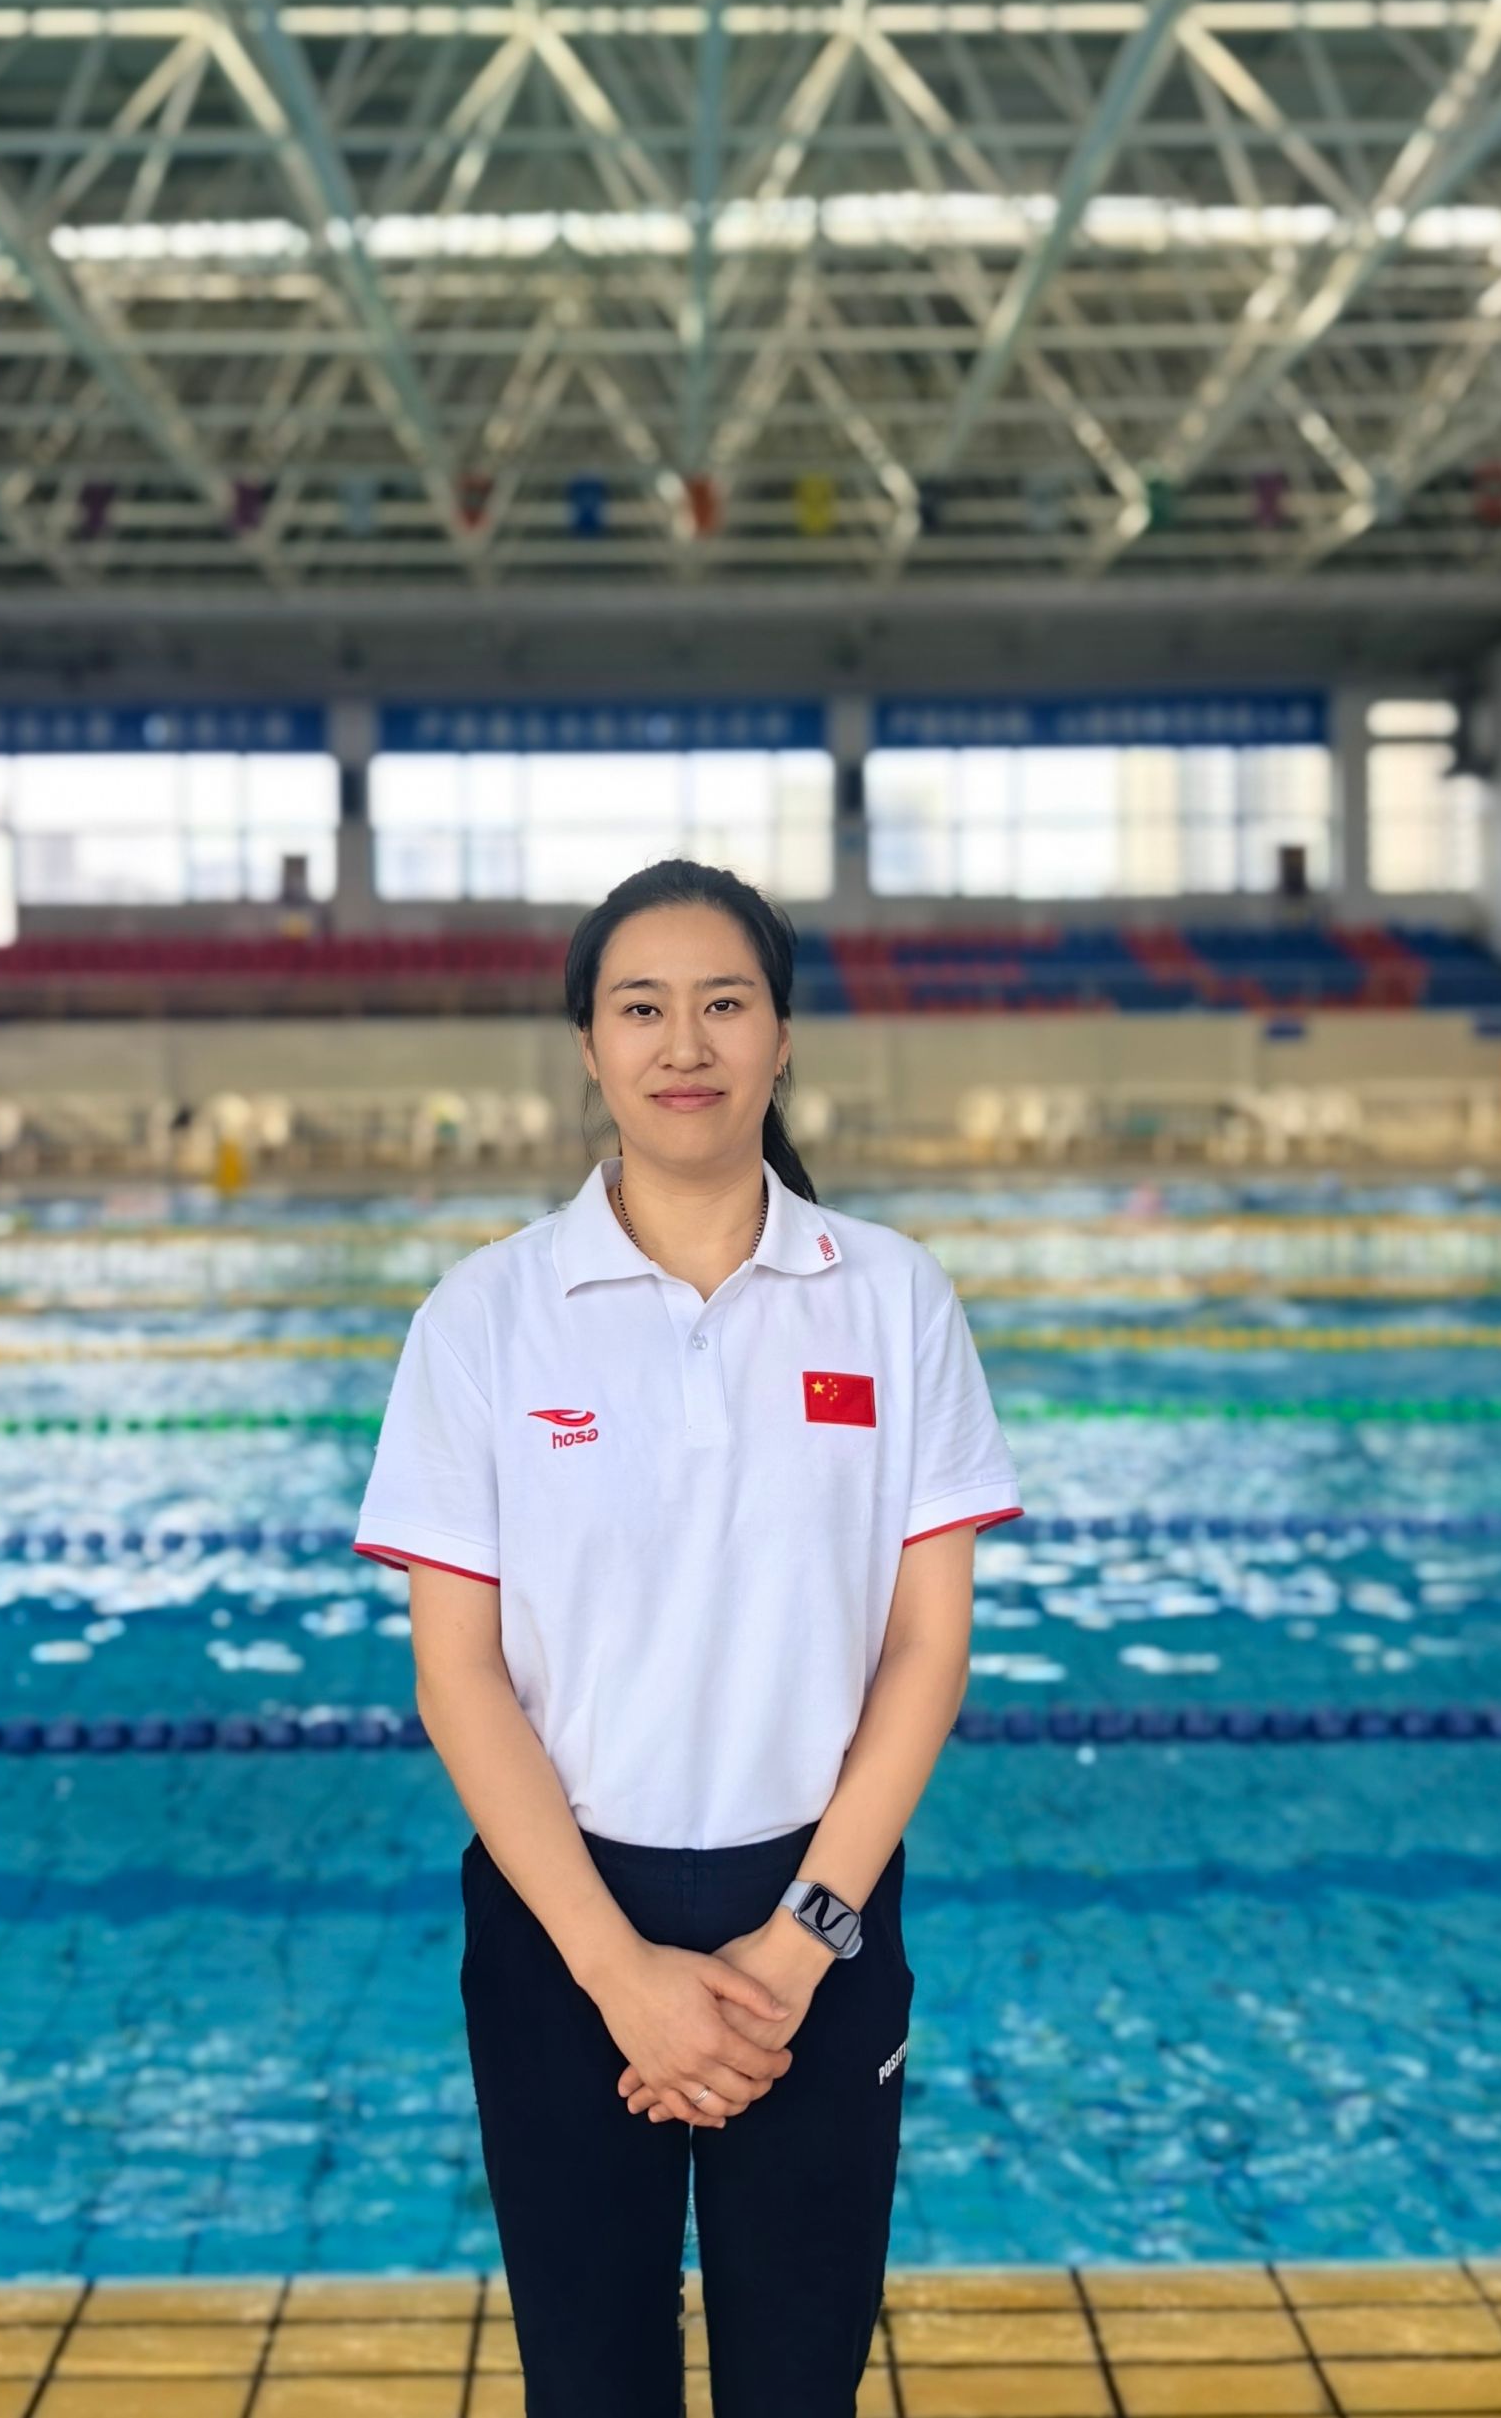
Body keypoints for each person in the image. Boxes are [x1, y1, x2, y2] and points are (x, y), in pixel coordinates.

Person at [351, 856, 1023, 2417]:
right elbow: (457, 1673)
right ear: (589, 1046)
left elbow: (927, 1651)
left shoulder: (893, 1298)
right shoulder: (486, 1316)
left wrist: (796, 1946)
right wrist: (618, 1973)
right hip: (560, 1918)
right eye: (641, 1008)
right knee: (591, 2388)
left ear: (781, 1036)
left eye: (724, 1003)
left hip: (820, 1908)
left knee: (800, 2385)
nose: (685, 1043)